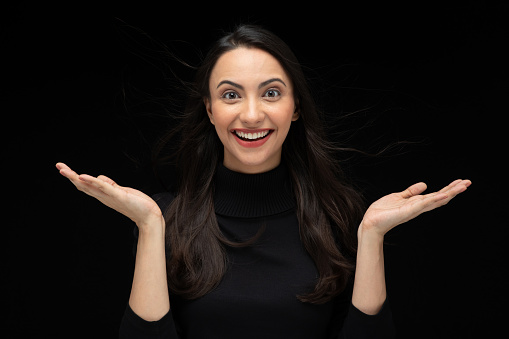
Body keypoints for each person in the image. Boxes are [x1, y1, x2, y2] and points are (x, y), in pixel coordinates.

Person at [56, 25, 471, 338]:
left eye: (271, 93)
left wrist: (371, 235)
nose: (251, 115)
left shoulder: (340, 217)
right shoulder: (164, 220)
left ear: (295, 108)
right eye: (231, 95)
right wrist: (148, 225)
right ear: (210, 110)